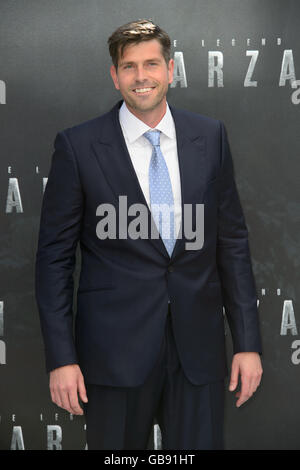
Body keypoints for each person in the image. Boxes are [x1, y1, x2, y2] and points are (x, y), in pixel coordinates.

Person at [35, 19, 263, 450]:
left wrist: (247, 343)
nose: (142, 77)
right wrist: (62, 358)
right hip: (113, 355)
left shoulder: (210, 137)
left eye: (152, 64)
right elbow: (54, 261)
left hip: (198, 351)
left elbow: (232, 244)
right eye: (129, 66)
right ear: (114, 76)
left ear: (171, 70)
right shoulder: (78, 146)